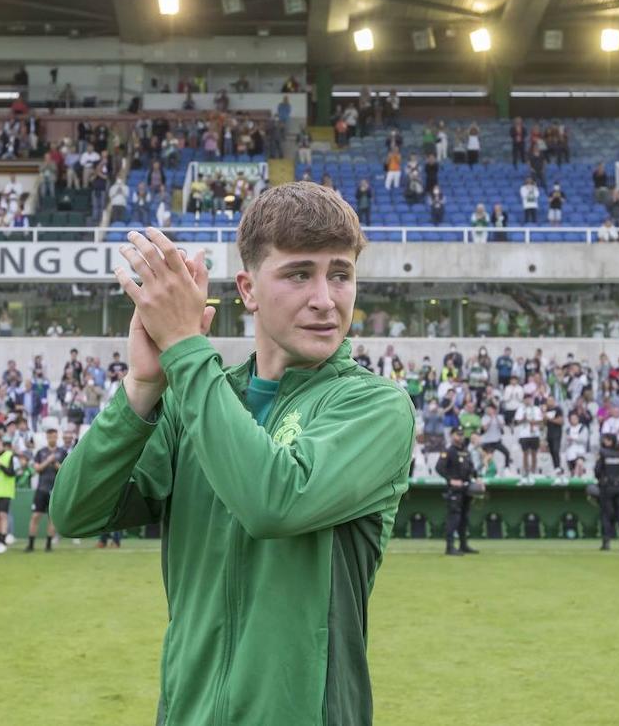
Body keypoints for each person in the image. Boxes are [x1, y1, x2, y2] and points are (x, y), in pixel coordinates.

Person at [51, 182, 415, 724]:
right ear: (247, 289)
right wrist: (143, 388)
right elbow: (76, 511)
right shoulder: (193, 400)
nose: (325, 298)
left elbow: (274, 502)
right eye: (298, 274)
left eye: (340, 274)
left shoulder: (375, 406)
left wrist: (183, 350)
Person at [437, 430, 478, 556]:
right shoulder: (448, 450)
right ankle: (449, 547)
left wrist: (478, 478)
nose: (460, 437)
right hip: (454, 490)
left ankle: (463, 545)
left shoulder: (465, 451)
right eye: (457, 434)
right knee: (454, 518)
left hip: (466, 488)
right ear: (452, 436)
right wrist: (451, 480)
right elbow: (439, 468)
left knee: (464, 518)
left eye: (461, 435)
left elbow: (471, 468)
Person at [26, 427, 67, 552]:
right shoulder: (41, 452)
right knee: (35, 516)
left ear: (57, 437)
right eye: (49, 436)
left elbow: (65, 470)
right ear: (47, 437)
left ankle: (48, 545)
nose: (52, 438)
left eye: (54, 436)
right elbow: (37, 469)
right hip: (41, 489)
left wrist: (55, 463)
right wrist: (48, 461)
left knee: (52, 518)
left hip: (55, 490)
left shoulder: (62, 452)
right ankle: (31, 545)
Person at [593, 433, 619, 551]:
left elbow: (597, 471)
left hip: (607, 487)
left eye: (606, 440)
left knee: (606, 515)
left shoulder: (603, 453)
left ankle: (606, 542)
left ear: (610, 441)